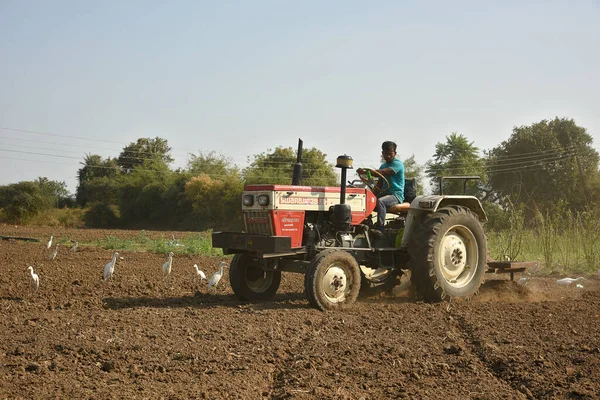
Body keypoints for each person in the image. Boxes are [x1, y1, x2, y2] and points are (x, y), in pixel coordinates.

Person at [357, 141, 405, 234]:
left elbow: (383, 172)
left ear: (395, 153)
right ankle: (366, 223)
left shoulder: (398, 164)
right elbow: (379, 184)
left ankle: (380, 228)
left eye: (390, 154)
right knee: (367, 200)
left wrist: (365, 172)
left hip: (395, 195)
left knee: (381, 201)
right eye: (385, 154)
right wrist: (371, 196)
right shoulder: (383, 165)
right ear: (382, 153)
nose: (388, 156)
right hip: (385, 193)